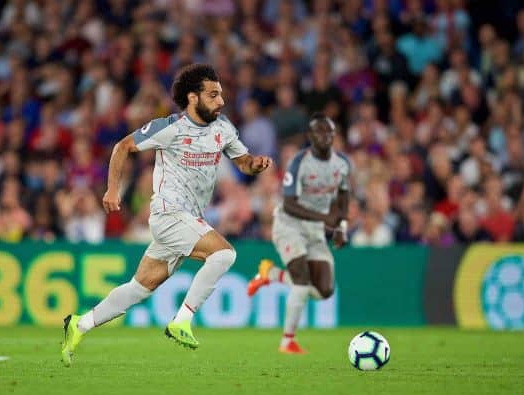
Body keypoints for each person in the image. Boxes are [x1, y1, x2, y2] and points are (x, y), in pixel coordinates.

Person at [61, 64, 272, 366]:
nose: (221, 101)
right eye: (213, 95)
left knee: (139, 288)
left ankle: (78, 325)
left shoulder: (223, 128)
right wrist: (111, 190)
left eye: (221, 94)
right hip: (169, 214)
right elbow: (123, 147)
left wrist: (257, 164)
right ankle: (182, 321)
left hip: (189, 219)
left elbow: (243, 162)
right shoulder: (169, 127)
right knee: (224, 255)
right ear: (192, 97)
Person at [246, 113, 351, 354]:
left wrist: (341, 227)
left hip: (314, 231)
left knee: (324, 290)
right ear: (310, 137)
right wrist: (326, 219)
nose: (324, 137)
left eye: (328, 133)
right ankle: (287, 342)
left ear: (333, 136)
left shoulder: (342, 164)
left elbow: (343, 197)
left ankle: (270, 274)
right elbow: (290, 203)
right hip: (289, 225)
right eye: (318, 133)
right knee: (302, 283)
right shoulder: (298, 163)